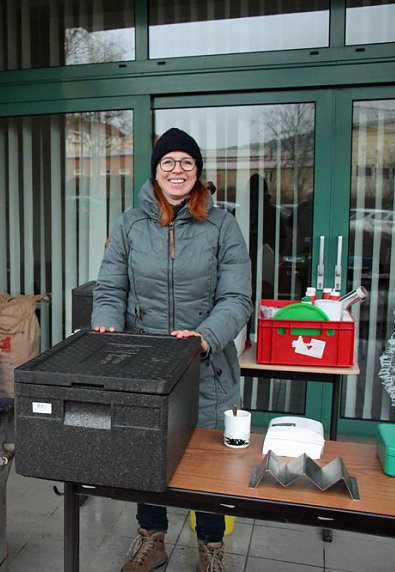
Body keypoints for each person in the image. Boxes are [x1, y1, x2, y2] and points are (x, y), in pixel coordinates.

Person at [92, 128, 252, 572]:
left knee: (208, 465)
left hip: (206, 366)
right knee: (145, 455)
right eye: (168, 162)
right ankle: (152, 537)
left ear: (198, 172)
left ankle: (211, 547)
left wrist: (204, 336)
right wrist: (105, 322)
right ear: (156, 171)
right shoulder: (128, 224)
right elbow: (110, 288)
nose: (177, 170)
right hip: (144, 365)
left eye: (186, 162)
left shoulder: (222, 226)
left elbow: (237, 298)